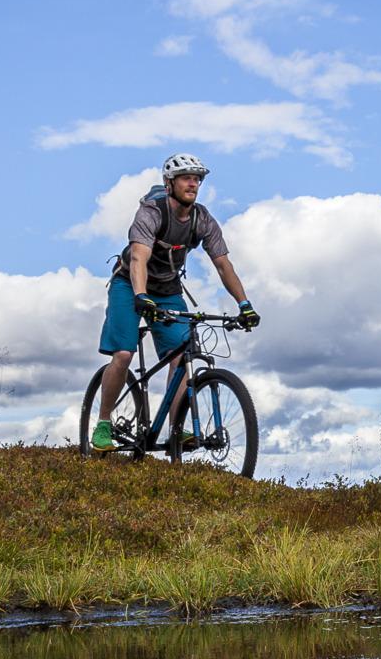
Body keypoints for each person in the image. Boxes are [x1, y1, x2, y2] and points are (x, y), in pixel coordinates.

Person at [93, 153, 259, 452]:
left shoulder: (202, 219)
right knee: (124, 353)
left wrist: (244, 304)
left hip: (167, 287)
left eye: (197, 179)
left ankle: (176, 429)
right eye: (186, 178)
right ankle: (104, 422)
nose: (193, 184)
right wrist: (141, 296)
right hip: (129, 284)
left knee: (182, 355)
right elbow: (139, 258)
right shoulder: (151, 213)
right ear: (169, 183)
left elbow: (223, 265)